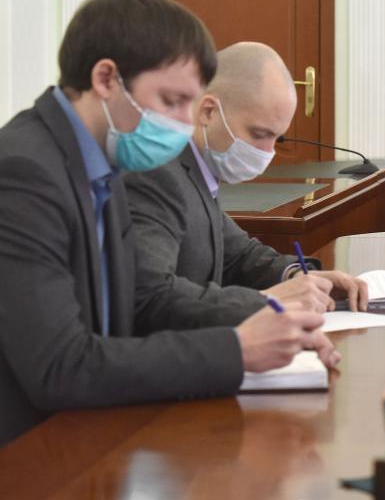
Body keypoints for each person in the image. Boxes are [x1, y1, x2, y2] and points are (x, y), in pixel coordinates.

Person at [0, 0, 337, 446]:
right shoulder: (25, 173)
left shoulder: (102, 160)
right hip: (31, 454)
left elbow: (141, 302)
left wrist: (273, 323)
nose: (184, 123)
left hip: (93, 428)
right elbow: (61, 366)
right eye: (171, 100)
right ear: (106, 78)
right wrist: (237, 350)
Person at [125, 42, 368, 322]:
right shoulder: (158, 173)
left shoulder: (198, 169)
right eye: (259, 134)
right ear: (208, 111)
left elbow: (237, 254)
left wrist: (300, 276)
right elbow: (153, 295)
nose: (267, 152)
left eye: (276, 138)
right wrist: (269, 301)